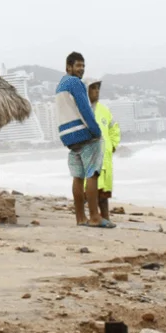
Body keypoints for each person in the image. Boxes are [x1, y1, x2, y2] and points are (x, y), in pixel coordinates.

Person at [55, 52, 114, 228]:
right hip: (82, 134)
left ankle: (80, 218)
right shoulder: (75, 83)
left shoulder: (60, 86)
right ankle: (95, 217)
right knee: (92, 175)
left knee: (77, 177)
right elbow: (84, 108)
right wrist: (96, 131)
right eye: (78, 65)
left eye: (83, 66)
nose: (81, 69)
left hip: (68, 137)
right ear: (68, 67)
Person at [86, 78, 120, 224]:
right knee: (90, 189)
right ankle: (92, 217)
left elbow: (114, 128)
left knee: (104, 193)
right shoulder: (81, 109)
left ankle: (106, 218)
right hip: (89, 155)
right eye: (93, 88)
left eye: (98, 88)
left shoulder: (104, 110)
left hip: (105, 156)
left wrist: (112, 145)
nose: (97, 91)